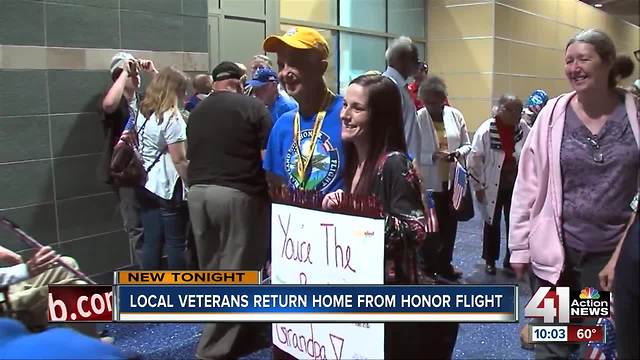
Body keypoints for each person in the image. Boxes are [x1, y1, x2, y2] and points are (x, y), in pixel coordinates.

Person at [509, 28, 638, 359]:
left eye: (583, 59)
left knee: (597, 342)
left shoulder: (635, 115)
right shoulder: (552, 115)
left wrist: (621, 256)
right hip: (556, 261)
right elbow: (528, 183)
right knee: (551, 344)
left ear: (608, 63)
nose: (574, 67)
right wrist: (520, 248)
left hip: (607, 262)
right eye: (569, 61)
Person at [323, 74, 458, 359]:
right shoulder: (353, 162)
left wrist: (355, 212)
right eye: (345, 105)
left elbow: (415, 230)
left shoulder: (394, 163)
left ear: (379, 116)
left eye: (356, 108)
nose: (345, 115)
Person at [186, 61, 272, 360]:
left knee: (212, 272)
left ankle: (240, 329)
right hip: (237, 195)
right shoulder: (253, 108)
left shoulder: (196, 113)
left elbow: (186, 157)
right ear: (240, 81)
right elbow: (267, 160)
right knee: (239, 271)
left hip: (197, 195)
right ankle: (213, 349)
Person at [262, 26, 345, 194]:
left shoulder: (347, 114)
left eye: (295, 63)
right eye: (281, 65)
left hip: (339, 218)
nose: (285, 73)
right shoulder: (283, 125)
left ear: (321, 68)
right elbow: (275, 184)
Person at [99, 52, 157, 266]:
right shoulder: (117, 102)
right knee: (136, 226)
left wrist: (152, 72)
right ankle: (146, 278)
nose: (136, 76)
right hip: (125, 173)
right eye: (131, 74)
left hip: (148, 170)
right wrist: (124, 71)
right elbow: (108, 105)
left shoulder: (142, 101)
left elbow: (169, 97)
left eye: (136, 74)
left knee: (154, 224)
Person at [133, 66, 190, 270]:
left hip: (146, 184)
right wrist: (191, 184)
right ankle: (178, 294)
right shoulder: (172, 118)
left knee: (152, 242)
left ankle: (151, 290)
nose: (186, 95)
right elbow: (179, 159)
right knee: (176, 243)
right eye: (183, 90)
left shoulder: (144, 111)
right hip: (168, 187)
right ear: (176, 91)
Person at [416, 76, 471, 280]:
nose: (429, 106)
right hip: (429, 183)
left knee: (450, 226)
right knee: (431, 228)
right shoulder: (418, 118)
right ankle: (427, 268)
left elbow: (467, 144)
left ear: (442, 99)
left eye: (433, 101)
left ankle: (445, 264)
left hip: (452, 181)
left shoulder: (455, 115)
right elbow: (412, 151)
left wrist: (457, 154)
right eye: (426, 101)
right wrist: (431, 156)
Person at [468, 95, 529, 275]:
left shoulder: (524, 129)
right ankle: (490, 260)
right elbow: (474, 160)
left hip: (516, 186)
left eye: (519, 111)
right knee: (491, 224)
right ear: (501, 110)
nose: (517, 115)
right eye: (513, 111)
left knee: (515, 224)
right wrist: (477, 186)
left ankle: (511, 260)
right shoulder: (486, 130)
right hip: (492, 185)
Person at [383, 36, 422, 163]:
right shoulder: (389, 87)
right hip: (398, 165)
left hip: (406, 163)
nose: (418, 64)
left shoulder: (400, 87)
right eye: (415, 59)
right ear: (402, 59)